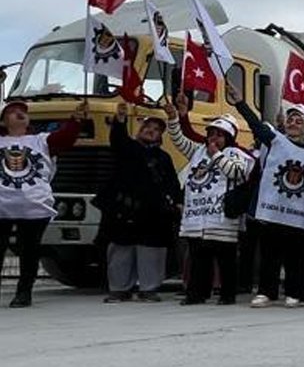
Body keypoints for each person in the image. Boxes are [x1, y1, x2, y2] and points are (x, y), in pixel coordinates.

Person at [232, 87, 304, 309]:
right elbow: (256, 126)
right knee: (269, 253)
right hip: (274, 210)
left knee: (297, 255)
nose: (293, 123)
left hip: (299, 213)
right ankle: (266, 292)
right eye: (290, 120)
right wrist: (241, 103)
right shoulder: (276, 141)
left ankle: (296, 292)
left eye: (298, 121)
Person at [164, 94, 253, 305]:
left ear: (229, 137)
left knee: (226, 260)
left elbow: (236, 172)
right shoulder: (199, 151)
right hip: (197, 219)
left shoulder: (236, 153)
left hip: (222, 220)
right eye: (211, 134)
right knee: (198, 259)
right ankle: (196, 293)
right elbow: (179, 140)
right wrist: (174, 119)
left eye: (219, 135)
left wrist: (217, 155)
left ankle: (227, 295)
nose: (214, 138)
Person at [0, 93, 85, 308]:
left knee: (29, 250)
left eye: (23, 112)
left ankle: (24, 292)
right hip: (1, 206)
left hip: (34, 206)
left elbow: (65, 138)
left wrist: (75, 121)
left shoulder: (41, 141)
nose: (19, 114)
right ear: (4, 121)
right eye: (13, 112)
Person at [95, 103, 183, 303]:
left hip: (154, 213)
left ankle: (149, 289)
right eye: (147, 127)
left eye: (156, 129)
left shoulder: (163, 158)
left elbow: (172, 183)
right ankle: (119, 290)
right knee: (120, 251)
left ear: (160, 136)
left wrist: (178, 202)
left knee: (152, 251)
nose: (150, 131)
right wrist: (120, 119)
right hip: (125, 211)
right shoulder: (127, 148)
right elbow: (118, 139)